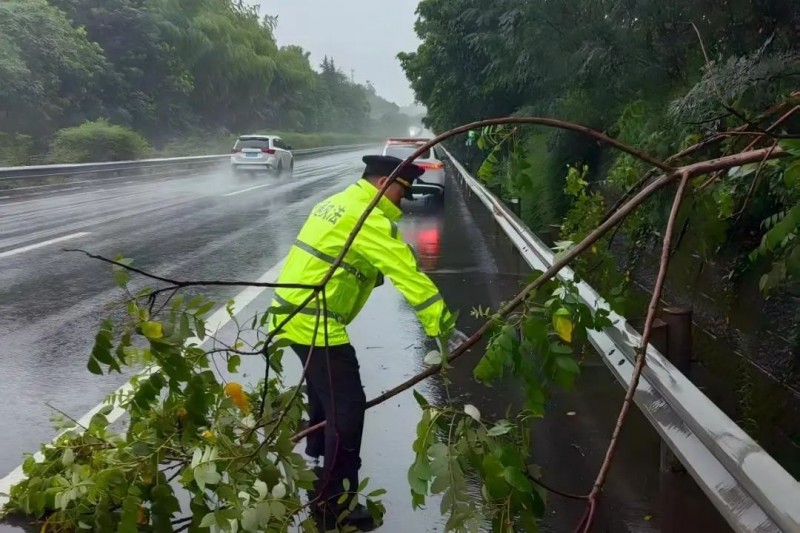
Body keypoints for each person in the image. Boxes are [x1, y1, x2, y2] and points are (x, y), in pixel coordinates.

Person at [267, 155, 455, 530]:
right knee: (348, 409)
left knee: (324, 395)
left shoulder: (339, 202)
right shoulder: (368, 216)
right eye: (402, 191)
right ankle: (334, 503)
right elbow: (407, 272)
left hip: (290, 312)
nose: (404, 200)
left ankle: (319, 455)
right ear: (383, 183)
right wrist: (443, 328)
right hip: (313, 321)